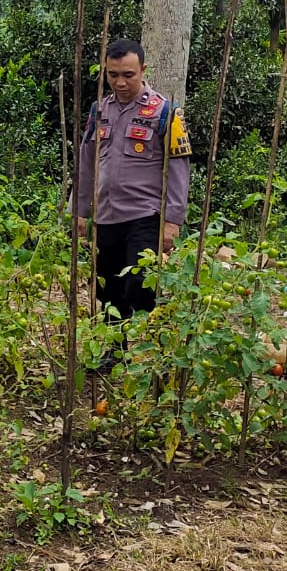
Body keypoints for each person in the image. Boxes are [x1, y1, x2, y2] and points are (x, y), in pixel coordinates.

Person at [77, 38, 190, 350]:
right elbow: (87, 163)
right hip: (106, 216)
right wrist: (80, 211)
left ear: (143, 70)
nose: (120, 82)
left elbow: (179, 169)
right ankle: (115, 351)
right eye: (113, 75)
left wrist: (173, 220)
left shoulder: (166, 112)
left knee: (140, 286)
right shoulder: (98, 111)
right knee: (108, 289)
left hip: (144, 216)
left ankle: (154, 349)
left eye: (128, 74)